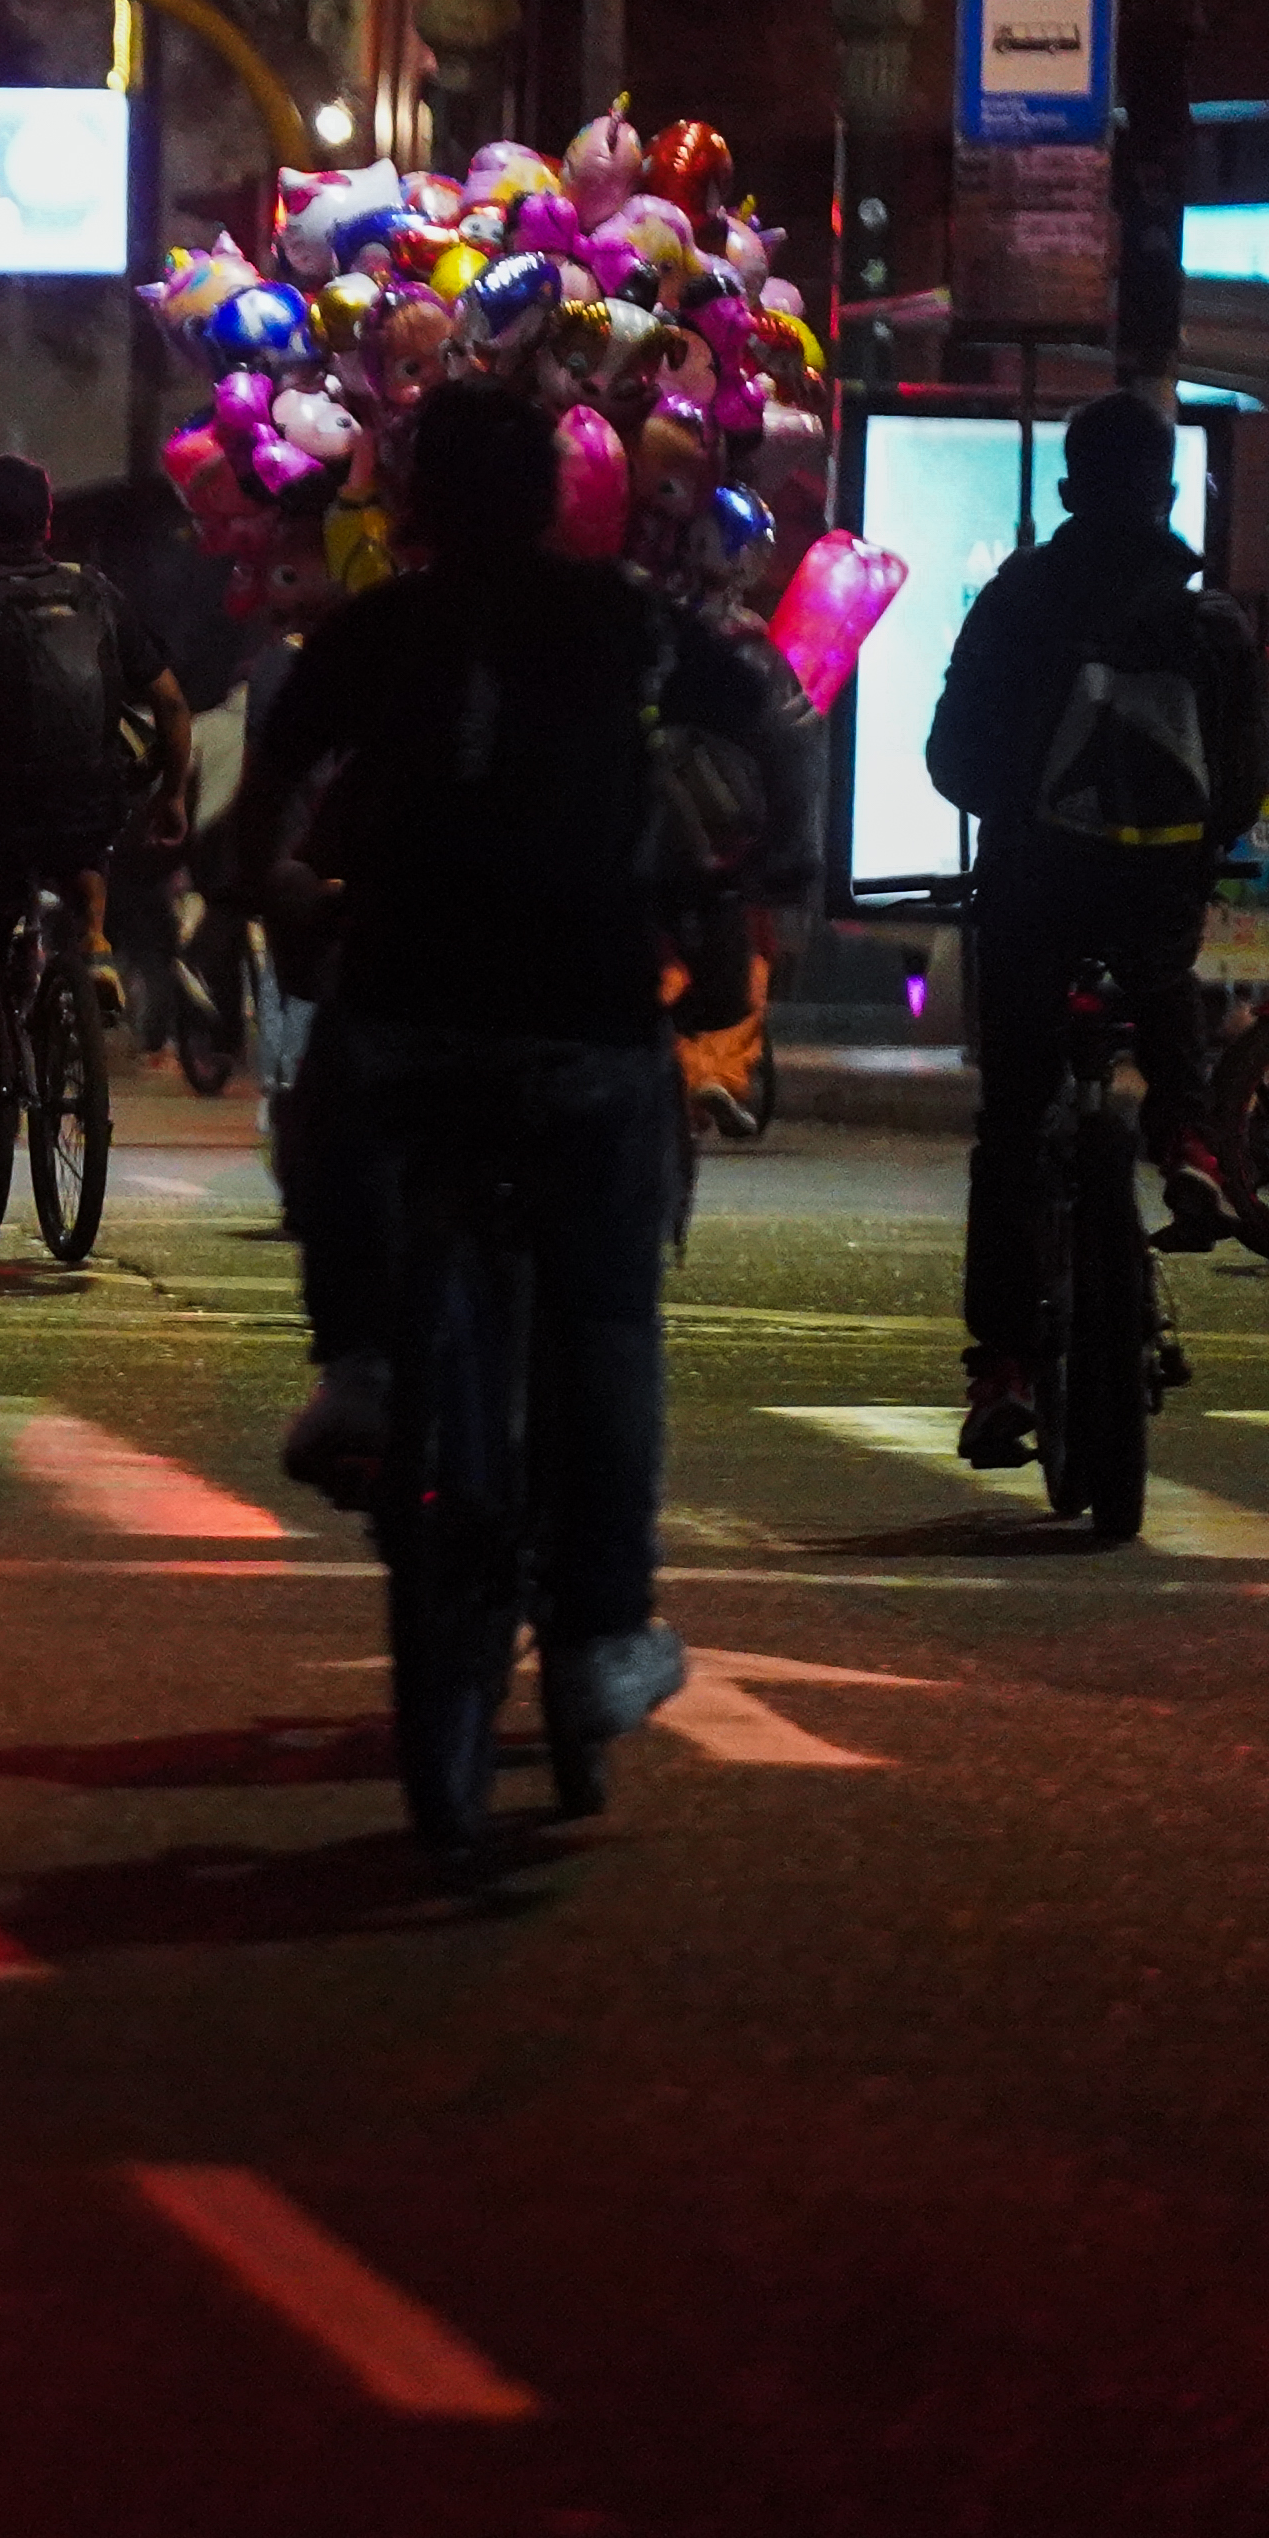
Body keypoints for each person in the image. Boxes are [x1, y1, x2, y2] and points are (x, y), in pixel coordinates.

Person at [242, 380, 807, 1754]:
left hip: (403, 1011)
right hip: (587, 1022)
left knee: (332, 1117)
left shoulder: (375, 631)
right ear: (563, 496)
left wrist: (263, 900)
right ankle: (606, 1630)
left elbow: (264, 798)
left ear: (419, 500)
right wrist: (779, 859)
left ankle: (364, 1361)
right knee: (605, 1322)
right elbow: (771, 728)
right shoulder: (632, 624)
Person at [926, 391, 1269, 1456]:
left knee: (1015, 1123)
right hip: (1155, 890)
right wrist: (1183, 844)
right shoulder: (1212, 625)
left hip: (1034, 889)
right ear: (1167, 493)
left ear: (1069, 488)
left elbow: (955, 757)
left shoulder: (1020, 597)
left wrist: (1026, 816)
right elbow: (1243, 788)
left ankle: (1006, 1369)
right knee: (1163, 974)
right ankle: (1189, 1136)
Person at [0, 454, 189, 1112]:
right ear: (47, 523)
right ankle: (95, 943)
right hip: (89, 809)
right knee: (82, 840)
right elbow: (172, 705)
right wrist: (173, 793)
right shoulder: (97, 594)